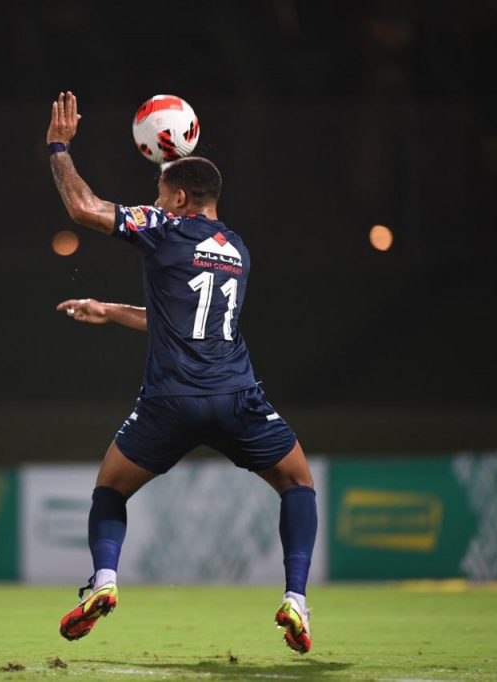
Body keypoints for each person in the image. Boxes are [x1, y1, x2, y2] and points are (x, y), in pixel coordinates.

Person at [46, 92, 318, 654]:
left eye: (160, 192)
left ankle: (104, 583)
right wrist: (109, 310)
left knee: (109, 489)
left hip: (169, 402)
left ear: (181, 196)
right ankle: (295, 599)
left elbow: (84, 208)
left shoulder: (164, 226)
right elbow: (189, 322)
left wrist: (59, 148)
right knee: (298, 483)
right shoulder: (238, 251)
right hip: (237, 397)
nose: (155, 198)